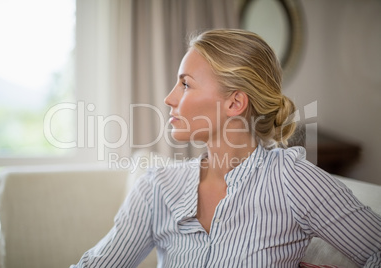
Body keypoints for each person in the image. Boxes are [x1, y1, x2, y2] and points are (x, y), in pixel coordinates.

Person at [71, 29, 380, 267]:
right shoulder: (156, 188)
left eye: (186, 84)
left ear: (234, 102)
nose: (169, 98)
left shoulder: (292, 180)